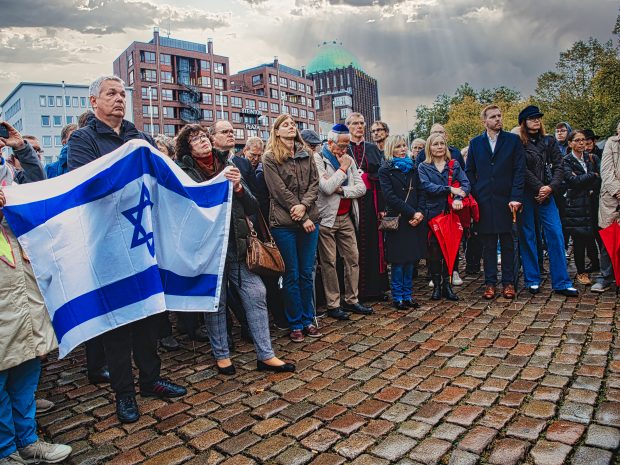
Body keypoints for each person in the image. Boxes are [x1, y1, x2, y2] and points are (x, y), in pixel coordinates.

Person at [67, 75, 186, 424]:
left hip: (142, 241)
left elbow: (163, 178)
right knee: (118, 322)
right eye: (111, 94)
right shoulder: (83, 140)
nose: (119, 99)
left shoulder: (140, 137)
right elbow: (85, 185)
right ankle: (124, 393)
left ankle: (151, 379)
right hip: (107, 243)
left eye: (122, 94)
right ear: (94, 102)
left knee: (150, 315)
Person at [175, 124, 294, 374]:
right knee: (217, 303)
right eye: (195, 139)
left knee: (256, 293)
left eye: (203, 137)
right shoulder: (183, 171)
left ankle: (266, 355)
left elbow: (252, 205)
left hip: (238, 245)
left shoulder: (230, 165)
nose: (202, 141)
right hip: (208, 251)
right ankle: (222, 356)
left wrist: (239, 187)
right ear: (187, 147)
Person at [0, 121, 72, 464]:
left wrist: (21, 149)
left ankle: (27, 440)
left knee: (26, 357)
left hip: (19, 269)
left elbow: (37, 188)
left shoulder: (6, 167)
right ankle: (7, 450)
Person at [262, 114, 320, 343]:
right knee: (291, 275)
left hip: (309, 220)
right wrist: (300, 214)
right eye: (285, 125)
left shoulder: (307, 154)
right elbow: (278, 191)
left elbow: (314, 185)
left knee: (307, 273)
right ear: (276, 131)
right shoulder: (270, 157)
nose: (290, 127)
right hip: (284, 223)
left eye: (293, 124)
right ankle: (295, 322)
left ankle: (308, 318)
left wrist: (304, 208)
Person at [516, 105, 578, 296]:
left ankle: (561, 282)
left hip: (548, 194)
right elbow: (521, 169)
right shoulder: (518, 143)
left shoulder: (549, 141)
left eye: (538, 118)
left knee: (555, 234)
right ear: (524, 122)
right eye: (532, 118)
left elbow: (559, 165)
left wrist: (550, 187)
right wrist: (539, 187)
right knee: (528, 235)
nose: (536, 120)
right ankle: (532, 279)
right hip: (528, 193)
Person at [465, 105, 525, 299]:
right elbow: (469, 171)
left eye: (499, 116)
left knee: (508, 242)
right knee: (489, 244)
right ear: (485, 122)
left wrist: (516, 196)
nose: (498, 119)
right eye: (493, 117)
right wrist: (475, 193)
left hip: (507, 200)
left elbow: (519, 170)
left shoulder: (513, 140)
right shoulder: (475, 143)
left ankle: (509, 282)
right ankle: (490, 282)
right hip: (484, 200)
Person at [314, 124, 370, 320]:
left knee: (352, 258)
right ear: (330, 143)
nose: (345, 150)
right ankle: (333, 304)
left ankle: (352, 299)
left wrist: (343, 190)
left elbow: (361, 188)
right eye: (342, 145)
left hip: (346, 216)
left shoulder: (349, 158)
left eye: (347, 146)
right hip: (327, 217)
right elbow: (326, 187)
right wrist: (343, 169)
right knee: (329, 261)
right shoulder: (318, 158)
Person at [419, 133, 470, 301]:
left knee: (450, 249)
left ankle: (448, 286)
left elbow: (465, 184)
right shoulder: (423, 167)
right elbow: (427, 187)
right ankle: (437, 285)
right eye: (435, 144)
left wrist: (458, 197)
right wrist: (449, 189)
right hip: (432, 213)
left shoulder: (454, 166)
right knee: (434, 251)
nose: (440, 147)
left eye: (442, 144)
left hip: (450, 214)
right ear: (429, 147)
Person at [345, 112, 388, 301]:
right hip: (350, 202)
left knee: (373, 244)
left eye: (362, 123)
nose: (359, 126)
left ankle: (373, 289)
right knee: (351, 247)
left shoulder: (372, 148)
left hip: (372, 201)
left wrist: (383, 207)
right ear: (348, 126)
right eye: (355, 123)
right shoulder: (344, 147)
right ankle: (354, 291)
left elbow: (382, 176)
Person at [379, 135, 425, 309]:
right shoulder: (385, 170)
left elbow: (420, 192)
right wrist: (412, 213)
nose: (402, 149)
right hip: (398, 219)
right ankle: (398, 296)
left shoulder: (413, 168)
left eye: (404, 145)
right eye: (398, 146)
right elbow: (390, 197)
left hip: (414, 220)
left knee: (410, 260)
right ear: (391, 148)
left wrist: (419, 213)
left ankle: (408, 295)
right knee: (398, 262)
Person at [562, 130, 601, 287]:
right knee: (578, 238)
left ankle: (596, 263)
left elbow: (599, 178)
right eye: (577, 140)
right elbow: (573, 181)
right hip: (575, 205)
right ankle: (581, 271)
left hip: (591, 202)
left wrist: (588, 180)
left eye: (583, 140)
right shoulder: (566, 161)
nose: (581, 143)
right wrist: (592, 176)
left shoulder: (591, 158)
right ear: (570, 143)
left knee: (592, 236)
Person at [593, 120, 620, 292]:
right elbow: (607, 171)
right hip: (612, 199)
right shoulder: (612, 143)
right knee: (608, 239)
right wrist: (618, 191)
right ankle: (605, 276)